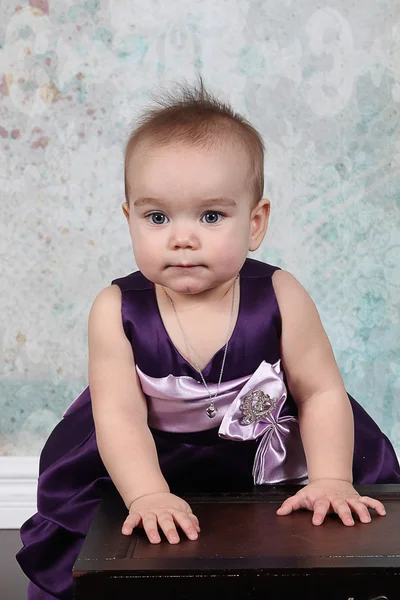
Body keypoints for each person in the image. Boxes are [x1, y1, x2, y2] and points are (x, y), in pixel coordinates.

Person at [16, 77, 400, 600]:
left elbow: (321, 393)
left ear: (255, 222)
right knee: (122, 541)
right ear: (129, 219)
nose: (182, 237)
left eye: (211, 216)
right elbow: (120, 418)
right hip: (150, 457)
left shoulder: (281, 295)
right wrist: (148, 493)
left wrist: (330, 478)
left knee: (318, 545)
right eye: (157, 217)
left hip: (266, 453)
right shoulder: (116, 310)